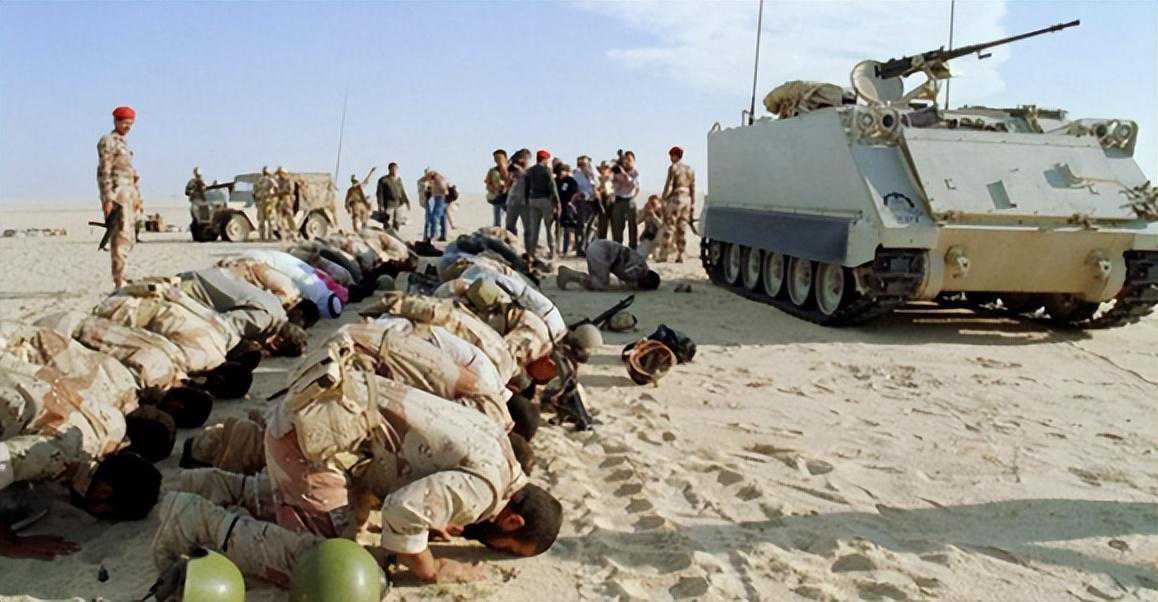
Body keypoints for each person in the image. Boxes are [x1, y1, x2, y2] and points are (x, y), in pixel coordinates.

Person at [153, 362, 563, 585]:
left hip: (324, 412)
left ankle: (208, 484)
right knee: (326, 562)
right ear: (513, 521)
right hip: (308, 436)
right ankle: (195, 520)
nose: (494, 549)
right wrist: (431, 569)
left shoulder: (502, 451)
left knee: (339, 521)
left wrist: (429, 519)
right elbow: (402, 510)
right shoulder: (486, 491)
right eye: (507, 548)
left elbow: (415, 468)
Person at [1, 358, 164, 560]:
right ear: (104, 492)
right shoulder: (55, 455)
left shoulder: (114, 425)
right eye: (103, 512)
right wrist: (9, 542)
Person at [177, 267, 308, 357]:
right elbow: (221, 328)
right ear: (276, 343)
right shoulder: (260, 320)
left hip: (204, 277)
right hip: (189, 287)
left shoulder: (278, 309)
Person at [97, 106, 141, 289]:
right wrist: (108, 198)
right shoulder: (108, 141)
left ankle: (123, 275)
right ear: (116, 121)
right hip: (117, 196)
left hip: (129, 195)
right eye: (125, 123)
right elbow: (104, 171)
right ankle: (119, 280)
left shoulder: (123, 143)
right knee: (120, 237)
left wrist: (137, 197)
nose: (128, 127)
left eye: (131, 124)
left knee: (129, 237)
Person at [557, 239, 661, 291]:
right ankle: (569, 274)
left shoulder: (640, 263)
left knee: (598, 281)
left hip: (600, 248)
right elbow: (626, 272)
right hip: (602, 252)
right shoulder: (640, 269)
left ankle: (571, 276)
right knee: (601, 285)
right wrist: (629, 285)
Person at [658, 146, 696, 262]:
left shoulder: (673, 168)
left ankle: (664, 255)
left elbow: (669, 185)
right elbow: (692, 188)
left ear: (675, 156)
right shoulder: (689, 169)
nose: (670, 158)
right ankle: (680, 255)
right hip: (687, 200)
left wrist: (663, 199)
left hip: (676, 198)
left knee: (669, 226)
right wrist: (692, 204)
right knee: (682, 228)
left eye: (671, 156)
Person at [523, 150, 560, 261]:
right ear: (545, 159)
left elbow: (526, 186)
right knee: (549, 228)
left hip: (533, 200)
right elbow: (552, 186)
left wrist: (526, 199)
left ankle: (532, 253)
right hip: (545, 200)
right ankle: (552, 253)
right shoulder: (546, 170)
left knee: (535, 228)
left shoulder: (530, 170)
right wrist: (557, 202)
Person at [609, 151, 641, 249]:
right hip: (618, 200)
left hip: (630, 200)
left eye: (629, 160)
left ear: (634, 161)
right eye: (625, 160)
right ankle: (617, 247)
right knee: (617, 226)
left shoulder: (635, 172)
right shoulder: (616, 172)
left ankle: (633, 248)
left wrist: (624, 174)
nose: (627, 162)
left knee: (633, 226)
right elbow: (612, 185)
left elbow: (633, 185)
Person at [554, 164, 581, 256]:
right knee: (558, 229)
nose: (561, 173)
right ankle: (557, 249)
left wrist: (571, 203)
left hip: (568, 207)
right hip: (558, 207)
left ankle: (566, 250)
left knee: (568, 229)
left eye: (563, 170)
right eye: (559, 171)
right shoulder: (556, 180)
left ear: (566, 171)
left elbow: (576, 193)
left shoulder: (571, 181)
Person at [374, 162, 410, 230]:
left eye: (395, 169)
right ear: (389, 169)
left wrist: (406, 201)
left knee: (397, 223)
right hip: (389, 205)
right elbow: (379, 194)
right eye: (393, 169)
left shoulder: (398, 180)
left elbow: (402, 191)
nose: (394, 171)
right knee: (388, 223)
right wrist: (381, 205)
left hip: (398, 204)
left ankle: (395, 233)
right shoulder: (383, 180)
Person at [504, 149, 531, 235]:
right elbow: (507, 184)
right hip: (512, 201)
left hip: (525, 202)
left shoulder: (530, 170)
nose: (522, 161)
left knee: (528, 227)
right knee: (509, 226)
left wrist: (521, 170)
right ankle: (512, 241)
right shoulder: (512, 170)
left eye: (525, 159)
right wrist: (510, 175)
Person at [344, 167, 377, 232]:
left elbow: (366, 181)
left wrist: (371, 172)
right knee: (356, 217)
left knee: (364, 216)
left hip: (361, 204)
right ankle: (357, 230)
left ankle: (363, 229)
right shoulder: (351, 190)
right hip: (355, 205)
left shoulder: (357, 188)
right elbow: (347, 200)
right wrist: (347, 207)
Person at [422, 170, 450, 242]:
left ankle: (433, 236)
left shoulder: (438, 178)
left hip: (440, 198)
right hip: (442, 199)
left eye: (427, 177)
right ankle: (443, 236)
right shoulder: (439, 178)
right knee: (442, 218)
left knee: (434, 217)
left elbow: (444, 190)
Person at [485, 149, 510, 228]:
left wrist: (504, 169)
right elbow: (487, 184)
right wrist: (494, 189)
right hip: (498, 198)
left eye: (499, 158)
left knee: (511, 221)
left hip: (510, 198)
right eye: (495, 158)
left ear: (505, 158)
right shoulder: (493, 171)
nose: (497, 160)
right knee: (497, 222)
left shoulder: (511, 169)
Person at [253, 167, 279, 241]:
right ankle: (268, 237)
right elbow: (277, 190)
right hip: (267, 203)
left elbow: (254, 193)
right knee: (269, 221)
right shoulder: (270, 180)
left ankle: (263, 237)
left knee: (263, 221)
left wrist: (256, 201)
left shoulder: (259, 181)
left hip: (263, 203)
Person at [638, 194, 665, 260]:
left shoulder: (663, 211)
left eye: (653, 204)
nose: (652, 206)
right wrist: (644, 212)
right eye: (650, 204)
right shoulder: (648, 211)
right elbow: (637, 221)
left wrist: (653, 216)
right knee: (639, 253)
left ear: (659, 204)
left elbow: (662, 226)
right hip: (649, 237)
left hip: (661, 240)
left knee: (663, 230)